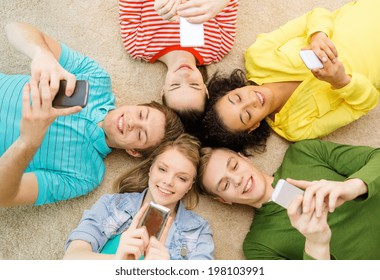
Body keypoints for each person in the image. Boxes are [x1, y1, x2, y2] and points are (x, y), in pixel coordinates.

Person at [0, 22, 184, 207]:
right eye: (141, 114)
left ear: (133, 151)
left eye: (140, 134)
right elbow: (13, 28)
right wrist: (42, 54)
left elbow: (4, 196)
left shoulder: (85, 175)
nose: (132, 123)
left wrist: (28, 141)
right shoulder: (96, 79)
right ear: (136, 105)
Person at [201, 0, 380, 152]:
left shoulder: (258, 55)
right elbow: (365, 104)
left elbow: (316, 15)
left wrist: (318, 35)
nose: (251, 101)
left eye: (237, 97)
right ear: (253, 127)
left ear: (234, 88)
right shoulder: (297, 129)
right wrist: (341, 81)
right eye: (247, 114)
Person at [196, 139, 380, 259]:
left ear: (245, 158)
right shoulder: (258, 246)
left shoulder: (302, 154)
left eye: (234, 166)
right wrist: (317, 243)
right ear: (224, 200)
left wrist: (351, 186)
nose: (237, 179)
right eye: (225, 185)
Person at [64, 133, 214, 260]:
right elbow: (72, 257)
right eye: (162, 169)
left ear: (189, 186)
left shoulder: (198, 230)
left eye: (182, 178)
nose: (168, 182)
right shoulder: (112, 205)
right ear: (150, 169)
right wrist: (118, 261)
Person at [119, 0, 239, 132]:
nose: (184, 75)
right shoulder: (219, 46)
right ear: (205, 89)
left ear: (163, 90)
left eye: (175, 85)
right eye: (194, 84)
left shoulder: (137, 46)